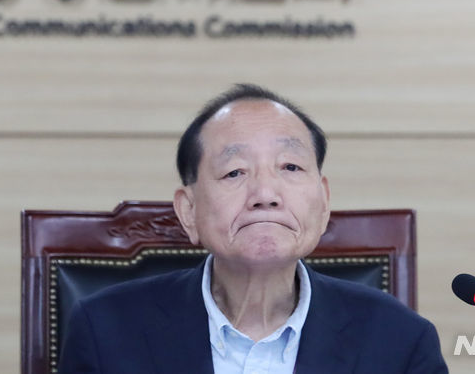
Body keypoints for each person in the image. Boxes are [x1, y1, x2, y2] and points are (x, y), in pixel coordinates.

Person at [59, 84, 448, 374]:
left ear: (324, 202)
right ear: (189, 211)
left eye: (290, 167)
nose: (265, 194)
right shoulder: (105, 331)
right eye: (235, 172)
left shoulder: (401, 341)